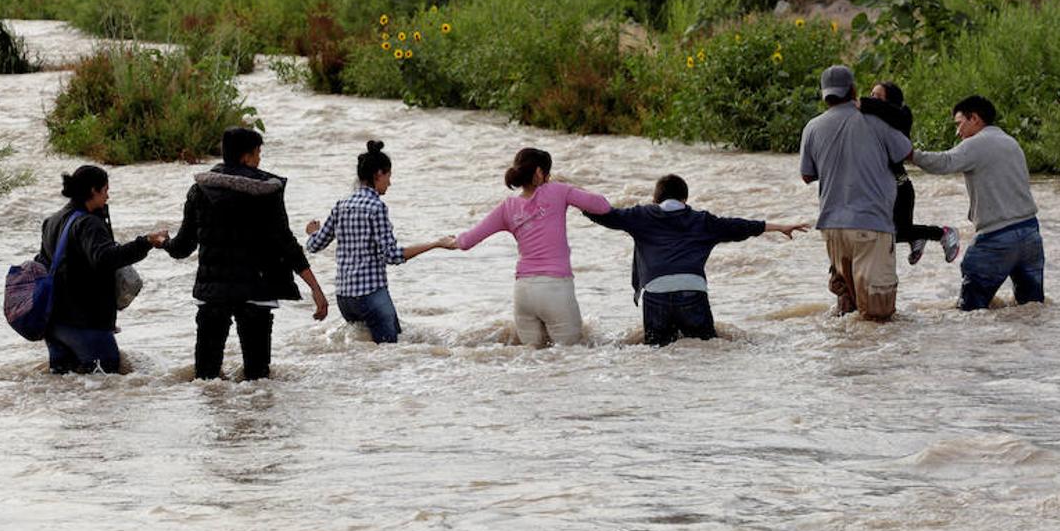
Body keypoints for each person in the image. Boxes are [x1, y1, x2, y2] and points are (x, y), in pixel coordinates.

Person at [163, 127, 329, 380]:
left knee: (205, 379)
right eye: (258, 153)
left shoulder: (199, 191)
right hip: (257, 292)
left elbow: (183, 247)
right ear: (246, 157)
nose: (259, 159)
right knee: (258, 378)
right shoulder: (267, 193)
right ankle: (254, 417)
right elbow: (286, 244)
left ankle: (208, 420)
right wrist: (315, 288)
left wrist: (162, 242)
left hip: (213, 294)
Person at [584, 174, 809, 346]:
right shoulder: (703, 221)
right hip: (693, 291)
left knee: (658, 353)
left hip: (656, 292)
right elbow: (740, 226)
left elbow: (607, 215)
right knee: (705, 346)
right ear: (685, 199)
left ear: (655, 198)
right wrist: (780, 226)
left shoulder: (641, 215)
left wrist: (574, 200)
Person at [452, 148, 612, 347]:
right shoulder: (558, 190)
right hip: (556, 289)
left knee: (530, 363)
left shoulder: (507, 207)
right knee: (571, 359)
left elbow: (466, 241)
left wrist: (444, 242)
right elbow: (603, 206)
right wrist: (572, 188)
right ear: (539, 173)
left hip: (524, 293)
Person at [305, 140, 456, 344]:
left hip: (344, 299)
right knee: (390, 353)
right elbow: (392, 255)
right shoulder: (376, 207)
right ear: (378, 174)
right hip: (370, 296)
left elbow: (314, 245)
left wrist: (312, 233)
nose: (389, 183)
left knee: (366, 355)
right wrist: (435, 243)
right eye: (389, 176)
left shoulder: (341, 205)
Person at [799, 65, 913, 321]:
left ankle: (848, 361)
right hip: (871, 226)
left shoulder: (812, 127)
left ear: (824, 95)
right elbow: (905, 152)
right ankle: (878, 363)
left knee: (846, 309)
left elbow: (807, 175)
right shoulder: (876, 122)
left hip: (832, 229)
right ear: (853, 90)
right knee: (878, 317)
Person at [910, 95, 1044, 310]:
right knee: (1031, 307)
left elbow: (944, 163)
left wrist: (910, 155)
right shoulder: (1011, 142)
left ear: (975, 119)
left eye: (959, 123)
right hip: (1030, 234)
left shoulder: (976, 144)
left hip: (997, 237)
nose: (958, 132)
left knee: (970, 311)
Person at [37, 165, 168, 374]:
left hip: (55, 323)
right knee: (106, 382)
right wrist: (146, 242)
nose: (108, 196)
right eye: (105, 190)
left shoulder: (51, 221)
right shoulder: (89, 224)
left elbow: (42, 263)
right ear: (93, 191)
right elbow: (106, 258)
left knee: (65, 388)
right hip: (86, 323)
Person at [859, 81, 960, 265]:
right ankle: (917, 238)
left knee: (892, 233)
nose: (872, 100)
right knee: (885, 233)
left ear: (891, 101)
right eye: (871, 94)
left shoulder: (900, 117)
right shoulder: (873, 120)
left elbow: (890, 112)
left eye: (878, 96)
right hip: (891, 186)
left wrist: (861, 103)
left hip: (900, 187)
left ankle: (944, 233)